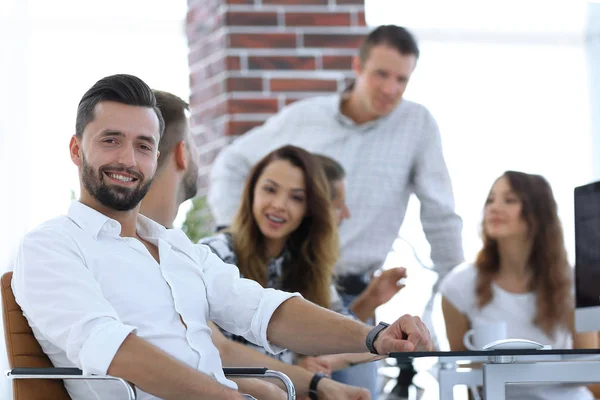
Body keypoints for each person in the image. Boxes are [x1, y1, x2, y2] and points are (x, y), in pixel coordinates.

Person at [12, 74, 433, 400]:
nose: (128, 159)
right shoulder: (52, 246)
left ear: (157, 158)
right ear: (75, 149)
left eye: (143, 146)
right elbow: (114, 352)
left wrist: (374, 336)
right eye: (110, 140)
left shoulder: (175, 247)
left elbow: (263, 311)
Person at [207, 25, 464, 397]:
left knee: (351, 386)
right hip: (273, 279)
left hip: (332, 284)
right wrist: (248, 237)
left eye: (401, 80)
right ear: (358, 68)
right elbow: (232, 164)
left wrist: (457, 290)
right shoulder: (304, 119)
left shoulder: (417, 125)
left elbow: (441, 212)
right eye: (381, 75)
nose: (390, 89)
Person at [140, 90, 370, 400]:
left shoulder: (304, 263)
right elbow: (216, 350)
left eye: (296, 197)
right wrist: (310, 380)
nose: (278, 205)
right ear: (251, 194)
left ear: (310, 209)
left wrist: (329, 359)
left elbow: (349, 333)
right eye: (270, 190)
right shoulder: (216, 253)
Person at [440, 171, 599, 400]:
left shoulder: (572, 281)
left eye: (510, 200)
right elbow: (469, 380)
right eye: (490, 200)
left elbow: (590, 366)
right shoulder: (459, 286)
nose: (494, 207)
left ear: (537, 213)